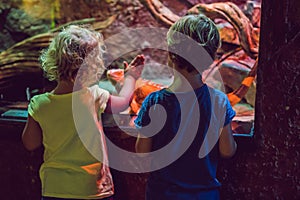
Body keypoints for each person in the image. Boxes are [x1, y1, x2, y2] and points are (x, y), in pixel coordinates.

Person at [22, 25, 144, 200]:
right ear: (91, 66)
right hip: (91, 188)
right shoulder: (93, 96)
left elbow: (30, 143)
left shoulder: (39, 103)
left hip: (55, 188)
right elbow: (122, 102)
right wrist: (131, 77)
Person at [134, 14, 237, 200]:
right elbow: (227, 151)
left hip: (162, 194)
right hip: (204, 195)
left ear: (170, 56)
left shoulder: (154, 101)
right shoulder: (219, 101)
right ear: (210, 59)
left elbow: (142, 153)